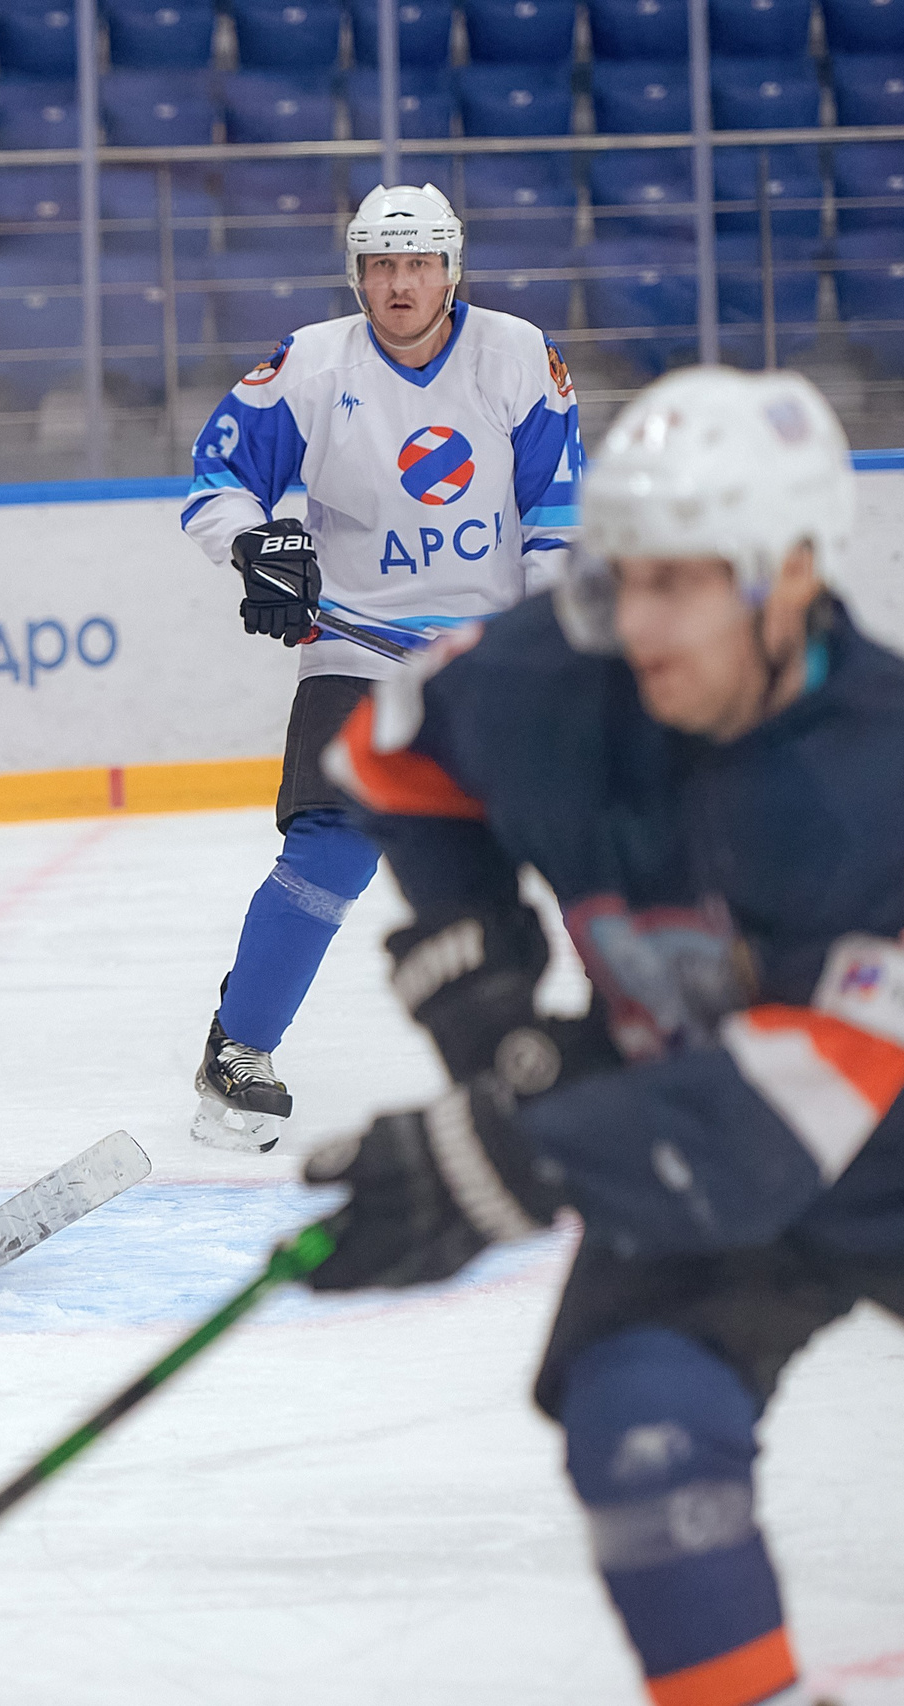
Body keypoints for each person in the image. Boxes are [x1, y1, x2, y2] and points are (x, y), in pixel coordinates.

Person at [306, 366, 904, 1706]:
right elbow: (388, 749)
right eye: (625, 573)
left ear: (789, 580)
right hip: (700, 1126)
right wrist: (480, 990)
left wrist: (510, 1149)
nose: (639, 622)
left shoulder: (894, 769)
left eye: (684, 583)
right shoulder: (555, 668)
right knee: (636, 1427)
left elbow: (785, 1118)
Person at [178, 181, 584, 1149]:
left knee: (583, 843)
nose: (400, 284)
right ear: (357, 271)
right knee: (330, 846)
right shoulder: (312, 363)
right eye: (381, 265)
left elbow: (557, 516)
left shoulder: (518, 355)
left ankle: (653, 1036)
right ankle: (239, 1047)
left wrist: (540, 645)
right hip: (355, 641)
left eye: (418, 263)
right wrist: (250, 545)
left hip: (491, 652)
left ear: (452, 268)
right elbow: (212, 481)